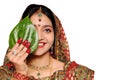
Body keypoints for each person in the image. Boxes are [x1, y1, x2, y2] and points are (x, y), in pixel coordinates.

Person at [0, 4, 94, 80]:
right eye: (32, 30)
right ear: (22, 32)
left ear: (56, 35)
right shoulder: (4, 74)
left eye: (47, 30)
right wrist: (20, 73)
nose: (40, 37)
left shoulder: (78, 75)